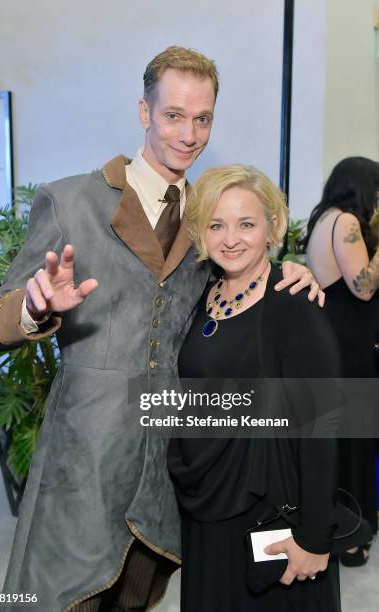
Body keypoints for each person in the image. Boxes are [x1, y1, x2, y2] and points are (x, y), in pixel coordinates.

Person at [0, 47, 321, 612]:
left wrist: (290, 271)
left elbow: (241, 271)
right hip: (84, 463)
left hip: (167, 471)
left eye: (203, 118)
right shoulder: (71, 202)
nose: (188, 134)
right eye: (173, 115)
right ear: (144, 112)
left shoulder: (206, 219)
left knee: (136, 601)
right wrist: (34, 308)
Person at [168, 164, 342, 612]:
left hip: (271, 510)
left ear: (272, 228)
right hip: (207, 506)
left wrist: (315, 536)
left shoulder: (293, 302)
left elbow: (323, 426)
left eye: (246, 224)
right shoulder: (202, 295)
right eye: (216, 225)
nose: (231, 238)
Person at [304, 156, 379, 566]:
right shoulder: (347, 222)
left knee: (343, 440)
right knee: (355, 441)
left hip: (334, 340)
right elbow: (363, 286)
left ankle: (341, 526)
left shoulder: (324, 218)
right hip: (349, 345)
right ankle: (353, 536)